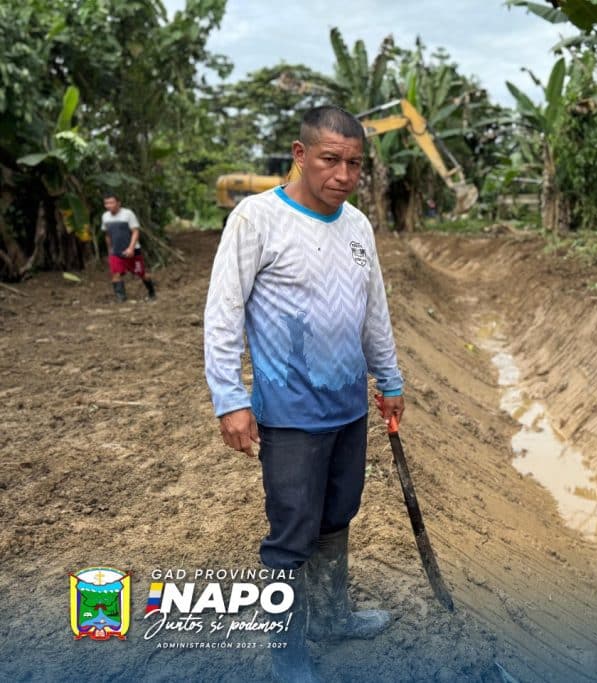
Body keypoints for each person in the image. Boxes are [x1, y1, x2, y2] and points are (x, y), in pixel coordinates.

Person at [203, 106, 405, 683]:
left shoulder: (358, 226)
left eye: (354, 164)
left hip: (348, 408)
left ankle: (334, 617)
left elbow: (374, 314)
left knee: (339, 514)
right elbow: (223, 314)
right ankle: (287, 655)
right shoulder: (256, 219)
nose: (343, 175)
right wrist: (230, 398)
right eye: (330, 160)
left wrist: (388, 380)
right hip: (291, 414)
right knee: (291, 533)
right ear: (299, 154)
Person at [100, 192, 156, 302]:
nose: (109, 205)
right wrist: (109, 250)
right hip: (115, 251)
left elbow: (135, 232)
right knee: (116, 274)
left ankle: (152, 292)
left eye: (111, 202)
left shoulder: (128, 214)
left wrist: (131, 248)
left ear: (118, 203)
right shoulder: (105, 216)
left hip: (133, 251)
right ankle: (121, 298)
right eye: (106, 203)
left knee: (141, 273)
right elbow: (107, 234)